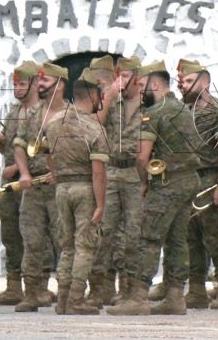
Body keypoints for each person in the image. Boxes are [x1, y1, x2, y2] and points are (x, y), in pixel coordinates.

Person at [108, 60, 204, 316]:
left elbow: (142, 157)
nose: (140, 91)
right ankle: (175, 296)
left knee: (148, 238)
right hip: (189, 180)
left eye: (142, 85)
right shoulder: (183, 110)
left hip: (166, 183)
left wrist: (143, 184)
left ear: (156, 84)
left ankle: (138, 297)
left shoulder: (155, 113)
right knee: (177, 239)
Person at [46, 68, 108, 315]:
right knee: (85, 245)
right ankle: (76, 299)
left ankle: (62, 299)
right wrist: (100, 205)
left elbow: (48, 155)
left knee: (67, 245)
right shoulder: (94, 128)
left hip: (62, 188)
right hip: (85, 188)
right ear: (93, 95)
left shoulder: (54, 122)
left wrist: (57, 175)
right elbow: (98, 172)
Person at [176, 58, 218, 310]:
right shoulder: (182, 111)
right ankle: (197, 289)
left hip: (211, 178)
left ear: (205, 82)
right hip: (188, 179)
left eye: (189, 81)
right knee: (191, 238)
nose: (184, 86)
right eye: (182, 82)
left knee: (216, 236)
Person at [12, 62, 67, 312]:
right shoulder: (33, 113)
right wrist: (24, 172)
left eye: (46, 81)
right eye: (40, 80)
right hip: (34, 186)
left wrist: (61, 173)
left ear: (60, 85)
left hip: (60, 187)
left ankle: (66, 293)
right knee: (31, 240)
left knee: (63, 240)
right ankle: (32, 293)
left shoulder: (71, 115)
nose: (41, 85)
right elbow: (19, 144)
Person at [87, 56, 142, 308]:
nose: (121, 80)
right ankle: (98, 288)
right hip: (111, 170)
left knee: (132, 233)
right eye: (119, 75)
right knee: (104, 231)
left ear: (138, 78)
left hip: (135, 173)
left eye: (126, 76)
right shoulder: (111, 101)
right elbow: (94, 125)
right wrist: (108, 96)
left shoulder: (149, 105)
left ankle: (129, 288)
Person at [0, 60, 40, 306]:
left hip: (31, 182)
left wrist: (17, 168)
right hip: (9, 184)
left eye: (22, 84)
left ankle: (38, 286)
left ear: (34, 84)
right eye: (15, 84)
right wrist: (0, 142)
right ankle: (13, 285)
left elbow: (40, 150)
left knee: (34, 234)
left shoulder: (40, 113)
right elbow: (9, 148)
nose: (17, 88)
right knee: (10, 233)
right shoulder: (13, 112)